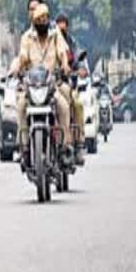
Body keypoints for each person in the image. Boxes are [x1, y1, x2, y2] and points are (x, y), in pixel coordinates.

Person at [10, 2, 74, 166]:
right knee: (21, 105)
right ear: (34, 22)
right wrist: (17, 68)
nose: (43, 22)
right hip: (32, 86)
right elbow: (23, 56)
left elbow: (62, 52)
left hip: (52, 84)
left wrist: (65, 65)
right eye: (39, 20)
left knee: (64, 107)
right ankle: (24, 147)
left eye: (45, 19)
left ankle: (65, 145)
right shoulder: (27, 38)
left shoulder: (55, 35)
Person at [55, 12, 85, 165]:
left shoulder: (71, 43)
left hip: (66, 84)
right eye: (58, 23)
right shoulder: (49, 41)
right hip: (48, 86)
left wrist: (78, 68)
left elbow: (78, 59)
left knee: (77, 104)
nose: (61, 26)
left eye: (63, 23)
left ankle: (78, 143)